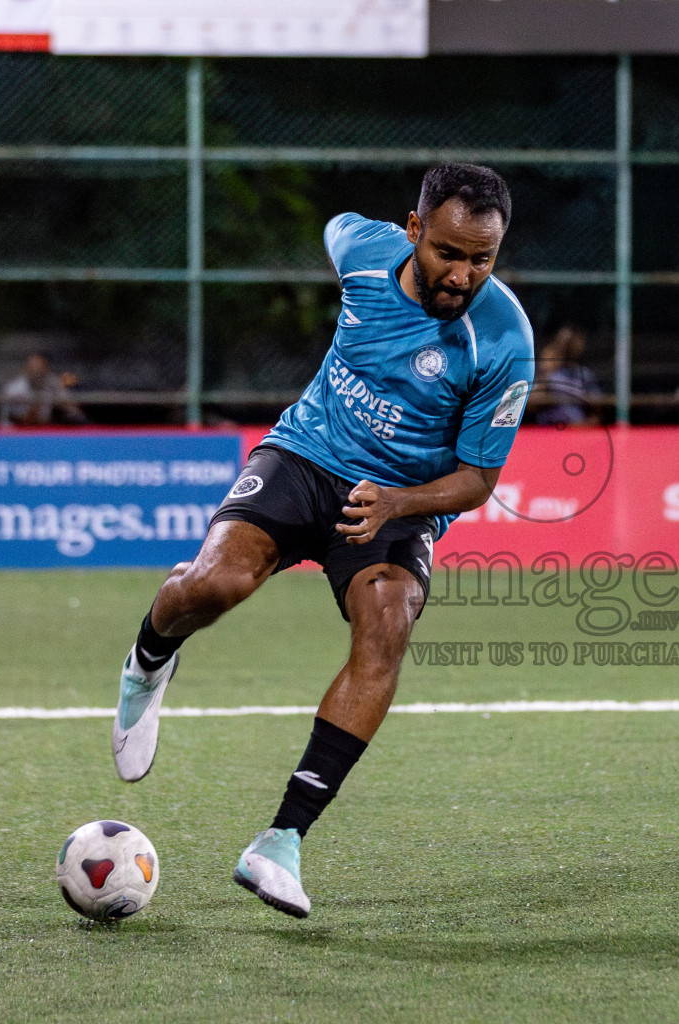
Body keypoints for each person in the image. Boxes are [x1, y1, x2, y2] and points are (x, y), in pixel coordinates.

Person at [111, 164, 534, 919]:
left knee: (388, 626)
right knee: (216, 584)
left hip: (399, 499)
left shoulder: (502, 340)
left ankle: (281, 842)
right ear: (412, 229)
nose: (462, 274)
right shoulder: (362, 249)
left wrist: (399, 502)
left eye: (483, 259)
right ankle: (149, 659)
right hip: (304, 455)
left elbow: (476, 480)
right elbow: (338, 224)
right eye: (447, 252)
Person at [532, 323, 600, 426]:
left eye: (573, 342)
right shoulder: (549, 374)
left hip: (577, 431)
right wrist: (546, 371)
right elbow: (532, 405)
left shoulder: (585, 375)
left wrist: (581, 427)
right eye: (565, 342)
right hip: (549, 431)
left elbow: (597, 412)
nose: (568, 347)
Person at [0, 352, 87, 428]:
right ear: (26, 369)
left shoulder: (52, 382)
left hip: (42, 430)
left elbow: (74, 409)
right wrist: (39, 398)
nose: (36, 372)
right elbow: (26, 421)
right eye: (33, 368)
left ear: (47, 369)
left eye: (40, 369)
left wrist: (60, 396)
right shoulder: (14, 388)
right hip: (13, 433)